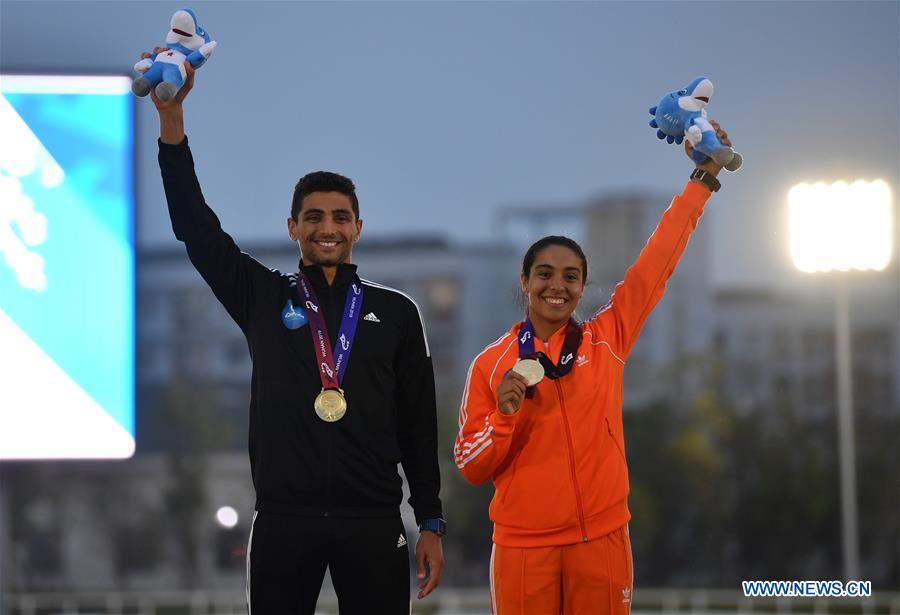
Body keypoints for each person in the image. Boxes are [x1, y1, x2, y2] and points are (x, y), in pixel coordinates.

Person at [149, 58, 445, 614]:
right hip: (284, 520)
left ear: (358, 226)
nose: (326, 227)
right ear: (293, 228)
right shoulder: (263, 297)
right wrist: (172, 121)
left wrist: (429, 519)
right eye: (313, 217)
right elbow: (195, 228)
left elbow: (418, 426)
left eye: (339, 216)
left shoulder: (397, 313)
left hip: (374, 519)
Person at [454, 122, 734, 614]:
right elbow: (470, 466)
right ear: (525, 281)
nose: (556, 286)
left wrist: (702, 180)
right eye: (544, 274)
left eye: (571, 277)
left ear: (583, 288)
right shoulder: (490, 365)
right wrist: (503, 418)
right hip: (524, 546)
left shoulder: (607, 339)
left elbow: (656, 263)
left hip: (601, 537)